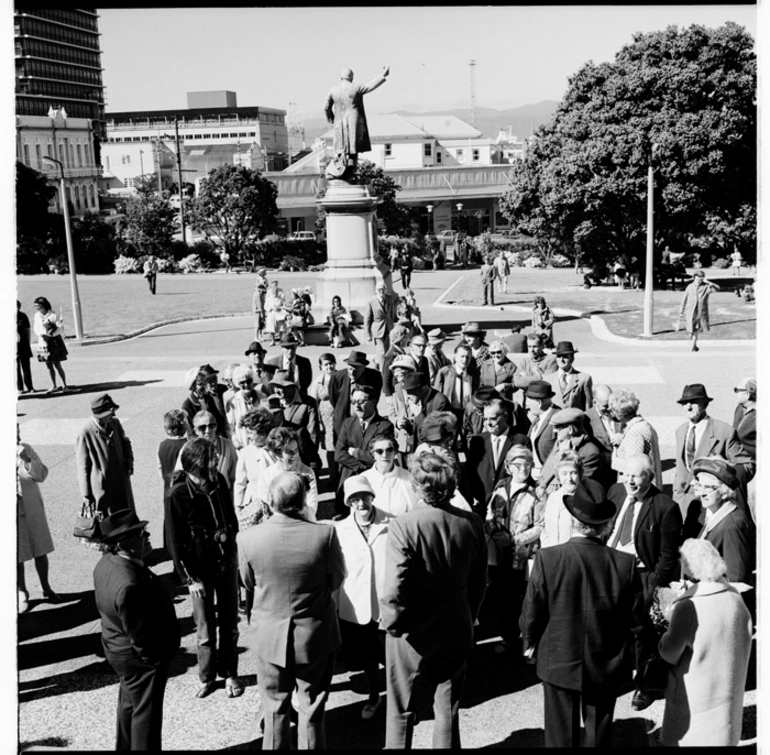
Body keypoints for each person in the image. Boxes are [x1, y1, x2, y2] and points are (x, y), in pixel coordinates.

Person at [520, 478, 644, 748]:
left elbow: (532, 610)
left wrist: (529, 643)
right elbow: (637, 622)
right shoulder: (624, 563)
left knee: (559, 735)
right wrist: (635, 662)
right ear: (606, 525)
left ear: (573, 520)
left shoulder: (548, 558)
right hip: (606, 661)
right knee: (599, 735)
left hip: (557, 657)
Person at [380, 451, 487, 749]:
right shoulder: (473, 523)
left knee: (401, 707)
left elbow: (394, 586)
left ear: (418, 486)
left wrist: (391, 623)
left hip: (411, 623)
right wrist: (468, 614)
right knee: (447, 707)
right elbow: (479, 582)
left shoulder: (404, 524)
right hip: (455, 619)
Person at [238, 471, 346, 748]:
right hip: (314, 634)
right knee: (311, 709)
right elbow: (337, 578)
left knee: (274, 710)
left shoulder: (248, 538)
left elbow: (248, 584)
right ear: (302, 501)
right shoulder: (324, 535)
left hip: (269, 634)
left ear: (272, 501)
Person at [93, 510, 180, 751]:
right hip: (140, 661)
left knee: (130, 709)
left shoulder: (106, 564)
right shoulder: (129, 583)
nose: (147, 535)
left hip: (120, 652)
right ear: (122, 544)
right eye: (140, 533)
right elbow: (141, 636)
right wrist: (155, 661)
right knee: (146, 721)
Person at [165, 438, 242, 699]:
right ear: (197, 463)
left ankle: (230, 672)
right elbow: (175, 542)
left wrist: (233, 547)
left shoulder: (218, 480)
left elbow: (229, 517)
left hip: (226, 562)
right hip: (199, 571)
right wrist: (189, 578)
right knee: (205, 629)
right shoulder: (178, 494)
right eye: (211, 456)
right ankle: (207, 677)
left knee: (230, 623)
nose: (216, 459)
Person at [606, 453, 684, 711]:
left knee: (643, 635)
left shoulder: (665, 507)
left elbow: (668, 556)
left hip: (641, 577)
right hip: (611, 572)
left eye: (636, 476)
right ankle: (618, 677)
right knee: (615, 630)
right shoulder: (615, 493)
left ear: (649, 478)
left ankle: (645, 685)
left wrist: (652, 585)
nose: (629, 481)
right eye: (626, 474)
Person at [658, 538, 753, 747]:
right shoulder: (735, 598)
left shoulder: (689, 607)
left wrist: (667, 622)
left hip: (694, 704)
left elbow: (669, 653)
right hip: (726, 699)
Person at [334, 475, 392, 719]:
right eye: (354, 499)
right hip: (355, 605)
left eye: (364, 497)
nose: (360, 503)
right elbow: (336, 568)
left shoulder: (393, 523)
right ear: (348, 503)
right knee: (366, 656)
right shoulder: (339, 529)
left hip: (386, 603)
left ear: (372, 496)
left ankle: (401, 704)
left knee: (393, 657)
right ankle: (374, 695)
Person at [485, 444, 541, 654]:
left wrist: (516, 539)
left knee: (525, 598)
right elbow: (490, 514)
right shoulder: (501, 487)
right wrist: (493, 530)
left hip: (524, 553)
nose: (522, 469)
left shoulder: (536, 492)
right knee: (504, 597)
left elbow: (540, 525)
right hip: (501, 552)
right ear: (508, 467)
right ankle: (507, 636)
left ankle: (529, 641)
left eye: (527, 464)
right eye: (517, 465)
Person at [673, 383, 754, 523]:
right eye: (684, 403)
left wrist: (722, 471)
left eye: (694, 402)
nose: (688, 406)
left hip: (710, 507)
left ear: (705, 404)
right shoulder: (680, 431)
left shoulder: (724, 431)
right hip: (682, 505)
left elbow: (747, 466)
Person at [692, 457, 755, 596]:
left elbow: (737, 582)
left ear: (724, 491)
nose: (701, 492)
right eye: (699, 485)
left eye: (708, 487)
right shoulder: (713, 514)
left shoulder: (733, 526)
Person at [334, 385, 394, 517]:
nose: (357, 406)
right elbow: (339, 454)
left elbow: (378, 456)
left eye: (361, 402)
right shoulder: (348, 423)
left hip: (374, 481)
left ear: (373, 402)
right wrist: (361, 466)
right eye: (354, 402)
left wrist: (355, 452)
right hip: (349, 477)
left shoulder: (384, 426)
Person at [466, 398, 530, 516]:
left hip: (509, 506)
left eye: (493, 418)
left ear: (505, 416)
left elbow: (525, 475)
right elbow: (469, 472)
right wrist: (472, 497)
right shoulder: (477, 441)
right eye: (485, 419)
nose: (488, 423)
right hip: (481, 505)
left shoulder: (521, 440)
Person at [17, 431, 59, 612]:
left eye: (18, 431)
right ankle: (22, 593)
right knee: (17, 555)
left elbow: (41, 474)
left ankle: (46, 588)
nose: (17, 435)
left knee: (40, 549)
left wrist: (27, 460)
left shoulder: (25, 449)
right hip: (13, 511)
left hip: (32, 507)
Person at [76, 393, 135, 517]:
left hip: (121, 482)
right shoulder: (85, 432)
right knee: (108, 525)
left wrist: (129, 459)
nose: (113, 415)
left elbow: (125, 442)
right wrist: (86, 495)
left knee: (126, 518)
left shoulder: (115, 423)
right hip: (103, 489)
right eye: (109, 413)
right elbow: (83, 466)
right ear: (99, 416)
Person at [324, 66, 390, 178]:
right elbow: (370, 86)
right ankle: (351, 171)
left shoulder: (333, 90)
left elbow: (325, 107)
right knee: (353, 149)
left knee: (341, 148)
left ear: (341, 77)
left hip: (339, 122)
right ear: (351, 77)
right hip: (353, 120)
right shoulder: (356, 88)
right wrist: (382, 75)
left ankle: (341, 169)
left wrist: (330, 117)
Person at [255, 427, 320, 521]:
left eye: (296, 450)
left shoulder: (307, 472)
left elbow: (312, 506)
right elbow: (266, 506)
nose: (295, 455)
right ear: (276, 454)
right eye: (289, 451)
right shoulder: (265, 476)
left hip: (303, 523)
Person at [536, 408, 604, 496]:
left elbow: (577, 485)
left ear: (570, 430)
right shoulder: (561, 443)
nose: (555, 431)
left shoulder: (590, 453)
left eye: (558, 428)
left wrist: (565, 455)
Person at [608, 389, 663, 489]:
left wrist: (614, 460)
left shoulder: (634, 433)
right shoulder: (643, 424)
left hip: (642, 490)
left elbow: (633, 467)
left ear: (618, 413)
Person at [233, 407, 276, 529]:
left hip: (276, 506)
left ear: (262, 432)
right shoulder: (245, 453)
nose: (247, 437)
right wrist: (238, 507)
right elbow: (240, 483)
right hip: (253, 508)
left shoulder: (277, 451)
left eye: (250, 433)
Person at [175, 410, 238, 491]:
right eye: (202, 427)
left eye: (211, 426)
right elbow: (179, 476)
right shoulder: (188, 448)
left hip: (222, 497)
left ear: (216, 426)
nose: (208, 431)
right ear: (196, 431)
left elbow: (235, 476)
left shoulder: (227, 444)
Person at [328, 350, 383, 441]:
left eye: (356, 370)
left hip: (367, 422)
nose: (352, 373)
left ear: (363, 368)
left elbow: (375, 399)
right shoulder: (337, 377)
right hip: (342, 421)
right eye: (349, 369)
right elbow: (333, 399)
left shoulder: (375, 376)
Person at [269, 373, 321, 469]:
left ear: (291, 387)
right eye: (275, 386)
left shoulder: (308, 402)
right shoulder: (271, 401)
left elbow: (313, 433)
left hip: (301, 456)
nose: (277, 391)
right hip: (278, 457)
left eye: (280, 387)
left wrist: (310, 460)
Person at [359, 434, 418, 517]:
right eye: (379, 451)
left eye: (389, 450)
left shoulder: (408, 478)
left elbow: (414, 511)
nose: (384, 455)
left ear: (395, 453)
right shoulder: (363, 479)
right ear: (373, 455)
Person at [537, 450, 583, 549]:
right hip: (552, 556)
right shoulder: (553, 497)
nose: (569, 478)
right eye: (564, 473)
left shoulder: (584, 500)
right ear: (558, 475)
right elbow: (545, 529)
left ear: (580, 474)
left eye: (573, 473)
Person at [309, 353, 339, 488]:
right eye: (326, 364)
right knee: (331, 450)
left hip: (341, 418)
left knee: (343, 447)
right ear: (320, 366)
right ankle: (333, 477)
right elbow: (312, 403)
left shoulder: (342, 377)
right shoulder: (317, 382)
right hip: (327, 422)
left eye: (331, 363)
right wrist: (318, 423)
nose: (329, 366)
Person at [433, 342, 479, 429]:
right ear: (455, 356)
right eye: (462, 356)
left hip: (467, 413)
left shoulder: (474, 373)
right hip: (450, 413)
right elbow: (437, 396)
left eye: (467, 357)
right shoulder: (445, 372)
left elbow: (476, 393)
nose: (465, 360)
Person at [585, 384, 623, 487]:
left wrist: (623, 437)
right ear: (595, 401)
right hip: (601, 473)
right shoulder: (586, 419)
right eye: (605, 405)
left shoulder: (620, 411)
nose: (609, 408)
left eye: (611, 403)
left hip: (622, 470)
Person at [524, 380, 560, 483]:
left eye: (528, 402)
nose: (527, 406)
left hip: (549, 480)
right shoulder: (538, 417)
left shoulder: (558, 418)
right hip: (534, 478)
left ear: (539, 403)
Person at [32, 296, 69, 393]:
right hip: (43, 342)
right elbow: (35, 328)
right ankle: (54, 385)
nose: (37, 308)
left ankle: (65, 385)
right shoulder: (37, 315)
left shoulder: (53, 315)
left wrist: (51, 334)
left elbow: (61, 328)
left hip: (54, 342)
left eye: (38, 306)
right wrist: (41, 334)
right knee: (48, 365)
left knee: (57, 364)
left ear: (43, 305)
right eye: (35, 306)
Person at [677, 270, 721, 352]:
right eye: (698, 278)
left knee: (695, 330)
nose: (699, 280)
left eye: (701, 278)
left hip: (700, 312)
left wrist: (709, 282)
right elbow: (684, 300)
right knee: (690, 331)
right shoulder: (689, 287)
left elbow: (717, 289)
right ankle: (695, 345)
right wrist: (681, 312)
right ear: (694, 278)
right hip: (690, 312)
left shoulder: (706, 287)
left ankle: (692, 348)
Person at [545, 340, 594, 411]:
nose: (561, 359)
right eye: (559, 356)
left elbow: (588, 407)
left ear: (572, 358)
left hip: (575, 420)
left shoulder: (583, 379)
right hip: (554, 420)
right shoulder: (548, 380)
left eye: (565, 356)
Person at [227, 366, 266, 450]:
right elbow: (230, 425)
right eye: (242, 382)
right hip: (243, 443)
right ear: (237, 383)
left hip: (261, 442)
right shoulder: (233, 402)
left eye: (249, 381)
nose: (246, 385)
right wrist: (234, 440)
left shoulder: (262, 396)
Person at [182, 369, 228, 439]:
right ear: (193, 386)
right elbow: (191, 433)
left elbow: (217, 419)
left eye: (205, 383)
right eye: (200, 384)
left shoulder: (209, 398)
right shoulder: (187, 405)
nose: (204, 386)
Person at [157, 409, 190, 503]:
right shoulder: (187, 444)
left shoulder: (161, 445)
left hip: (167, 490)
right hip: (184, 491)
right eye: (185, 424)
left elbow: (160, 468)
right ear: (176, 430)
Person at [364, 281, 397, 371]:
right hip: (377, 330)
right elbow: (367, 319)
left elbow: (392, 314)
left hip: (388, 328)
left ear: (385, 290)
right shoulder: (371, 301)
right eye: (379, 290)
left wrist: (393, 328)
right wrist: (368, 334)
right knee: (381, 353)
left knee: (386, 352)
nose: (381, 291)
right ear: (376, 291)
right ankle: (383, 374)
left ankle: (377, 364)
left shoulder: (389, 298)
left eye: (383, 289)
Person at [732, 377, 756, 461]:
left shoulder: (760, 417)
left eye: (737, 390)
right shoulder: (739, 409)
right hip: (735, 458)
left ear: (747, 394)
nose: (736, 393)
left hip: (751, 463)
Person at [17, 301, 35, 394]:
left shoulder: (23, 316)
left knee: (26, 367)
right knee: (15, 368)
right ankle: (19, 388)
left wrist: (28, 343)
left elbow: (28, 330)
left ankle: (30, 387)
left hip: (23, 344)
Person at [263, 279, 286, 347]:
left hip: (279, 311)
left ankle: (281, 339)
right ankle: (272, 340)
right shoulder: (269, 292)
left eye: (276, 284)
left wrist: (281, 307)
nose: (275, 286)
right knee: (271, 327)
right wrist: (271, 308)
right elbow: (266, 305)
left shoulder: (281, 291)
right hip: (272, 312)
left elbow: (283, 302)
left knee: (281, 327)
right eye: (273, 284)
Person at [253, 274, 267, 341]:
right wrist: (262, 313)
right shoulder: (257, 294)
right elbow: (259, 304)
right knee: (257, 325)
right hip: (258, 311)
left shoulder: (260, 294)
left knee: (261, 324)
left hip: (261, 310)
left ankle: (260, 336)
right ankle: (256, 337)